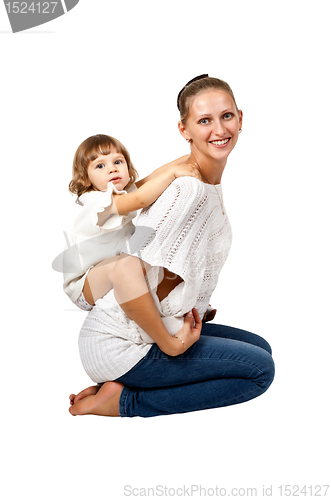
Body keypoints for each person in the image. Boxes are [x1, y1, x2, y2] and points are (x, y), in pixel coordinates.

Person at [69, 75, 275, 418]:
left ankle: (116, 385)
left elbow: (173, 267)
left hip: (132, 333)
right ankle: (122, 400)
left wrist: (194, 305)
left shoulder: (201, 182)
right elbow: (139, 268)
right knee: (259, 371)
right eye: (204, 120)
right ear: (185, 129)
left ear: (241, 117)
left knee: (259, 349)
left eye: (226, 116)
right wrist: (172, 341)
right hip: (123, 344)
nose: (219, 129)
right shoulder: (188, 190)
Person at [59, 134, 202, 317]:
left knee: (162, 270)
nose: (112, 169)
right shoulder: (97, 202)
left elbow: (150, 179)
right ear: (86, 179)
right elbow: (140, 199)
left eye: (118, 162)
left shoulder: (121, 193)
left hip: (112, 270)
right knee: (129, 266)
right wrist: (174, 173)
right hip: (83, 285)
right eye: (100, 166)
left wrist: (189, 158)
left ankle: (187, 306)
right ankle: (166, 314)